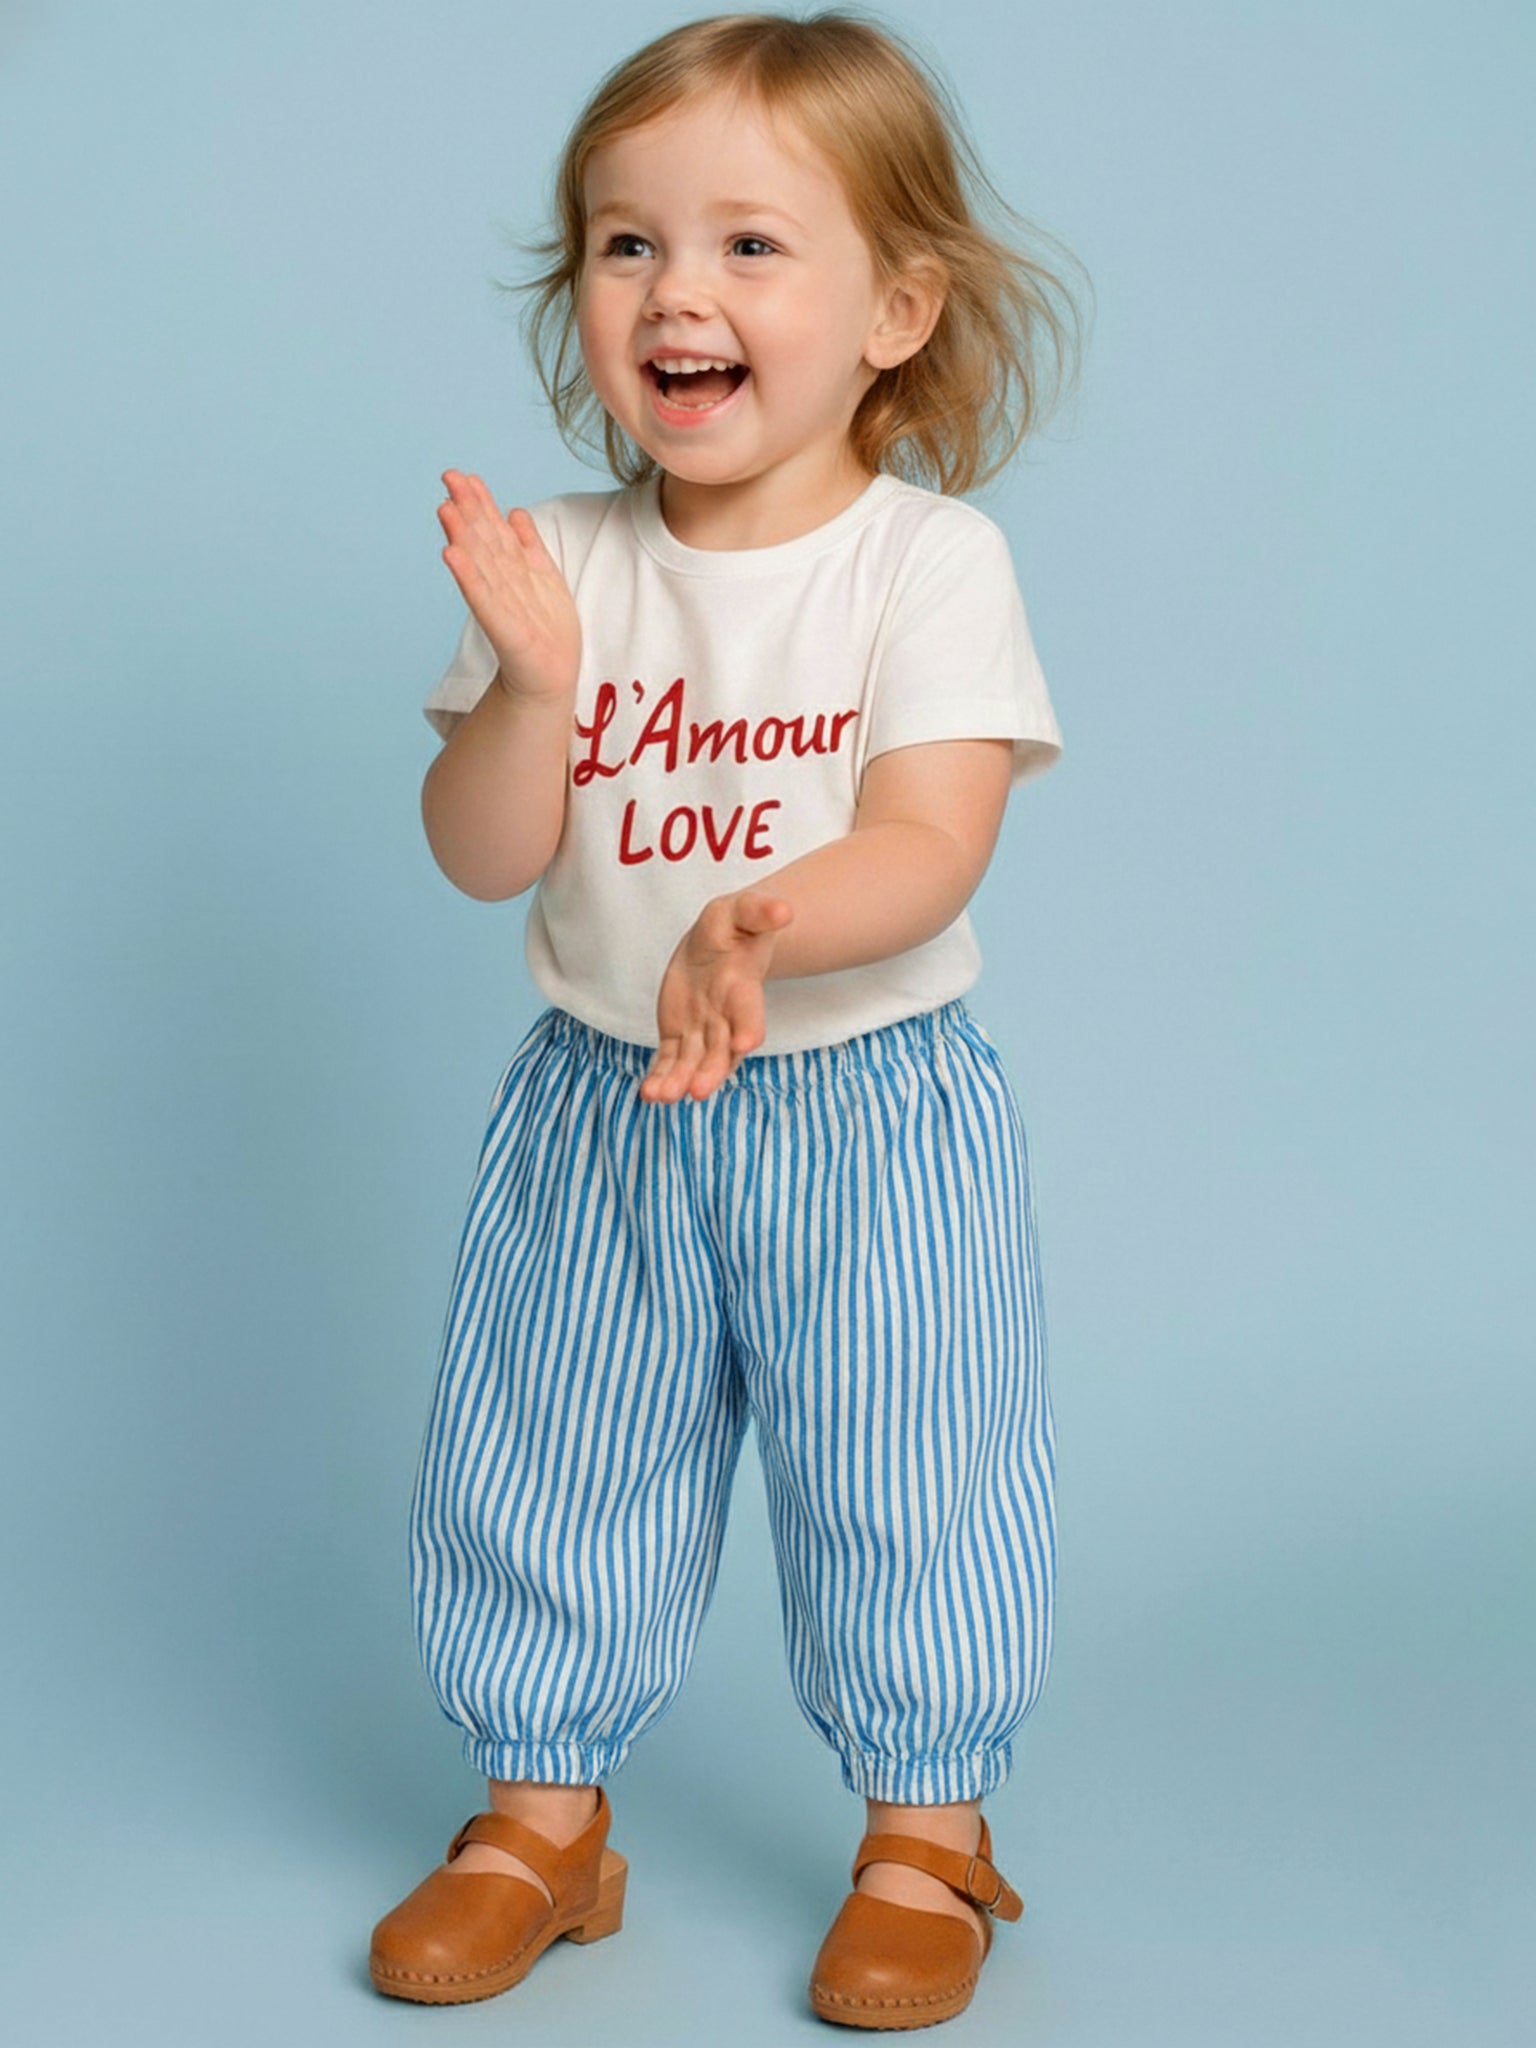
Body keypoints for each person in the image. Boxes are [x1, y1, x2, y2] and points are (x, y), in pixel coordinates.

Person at [368, 8, 1087, 2029]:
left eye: (751, 245)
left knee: (908, 1465)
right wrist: (525, 692)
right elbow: (482, 854)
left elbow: (936, 838)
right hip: (605, 1105)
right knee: (550, 1450)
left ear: (897, 305)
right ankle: (541, 1813)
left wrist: (760, 914)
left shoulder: (926, 563)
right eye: (625, 244)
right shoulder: (567, 570)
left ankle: (929, 1830)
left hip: (867, 1107)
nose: (678, 289)